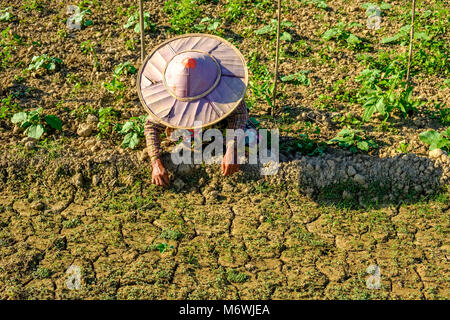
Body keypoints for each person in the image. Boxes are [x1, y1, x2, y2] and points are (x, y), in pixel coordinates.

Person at [136, 34, 251, 186]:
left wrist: (232, 148)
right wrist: (156, 162)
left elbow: (240, 113)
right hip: (189, 135)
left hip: (219, 128)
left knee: (251, 139)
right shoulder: (172, 91)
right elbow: (151, 126)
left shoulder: (223, 89)